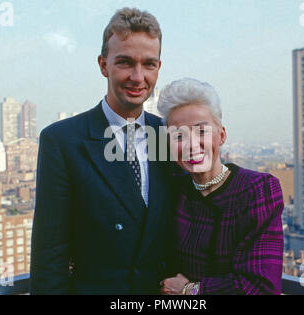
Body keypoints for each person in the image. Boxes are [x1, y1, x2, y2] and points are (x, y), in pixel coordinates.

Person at [30, 8, 175, 295]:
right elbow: (49, 257)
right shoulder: (62, 141)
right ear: (103, 65)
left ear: (159, 68)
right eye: (125, 62)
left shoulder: (170, 136)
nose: (137, 77)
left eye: (148, 64)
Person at [158, 78, 284, 295]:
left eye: (201, 132)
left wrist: (190, 290)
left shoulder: (257, 190)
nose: (191, 144)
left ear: (222, 135)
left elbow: (261, 287)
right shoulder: (174, 188)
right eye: (178, 136)